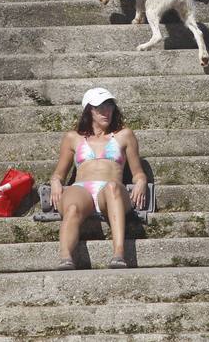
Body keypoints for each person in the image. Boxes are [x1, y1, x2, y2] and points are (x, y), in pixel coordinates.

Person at [50, 87, 148, 270]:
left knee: (112, 187)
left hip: (110, 189)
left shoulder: (124, 135)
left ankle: (119, 254)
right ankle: (65, 258)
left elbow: (138, 172)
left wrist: (141, 181)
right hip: (82, 189)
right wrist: (55, 182)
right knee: (71, 207)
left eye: (110, 106)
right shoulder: (73, 137)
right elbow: (58, 174)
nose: (107, 111)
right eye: (100, 107)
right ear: (89, 110)